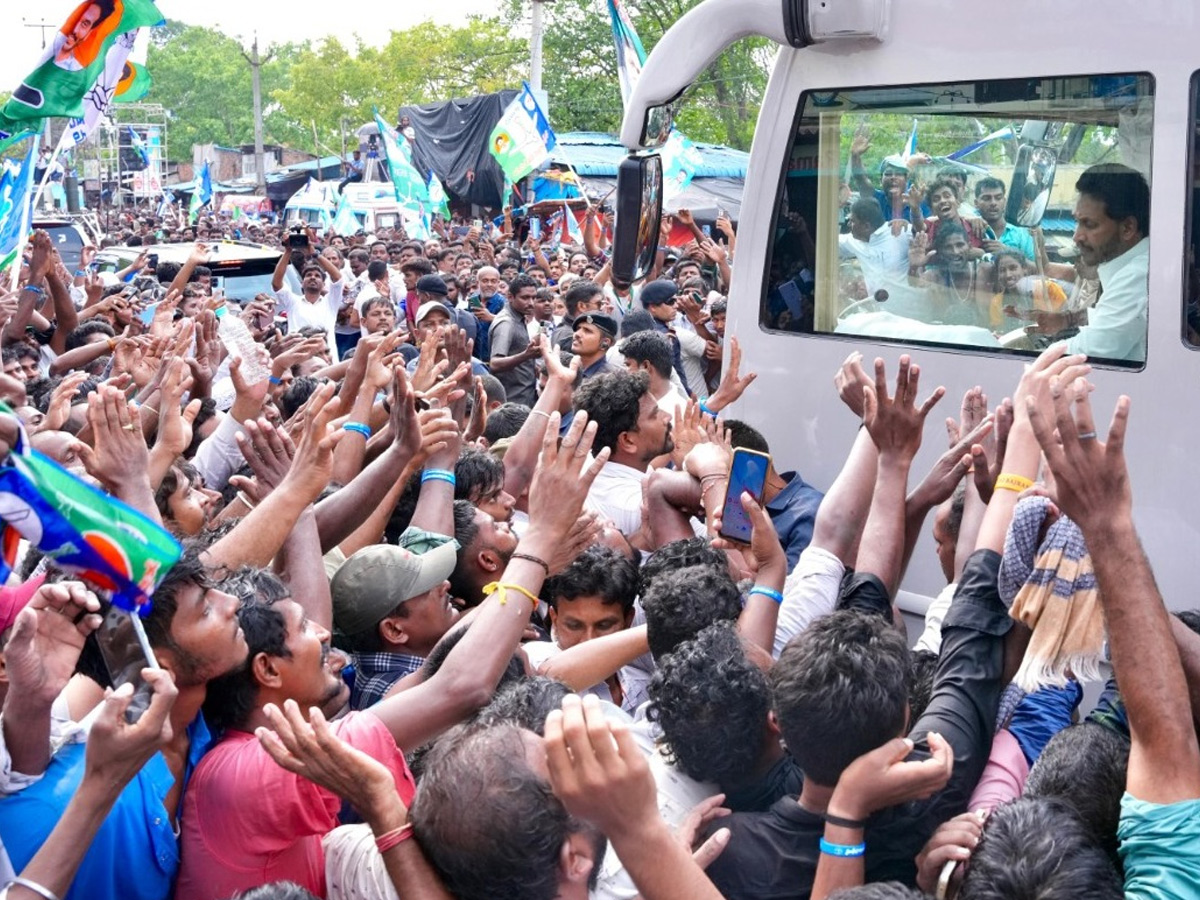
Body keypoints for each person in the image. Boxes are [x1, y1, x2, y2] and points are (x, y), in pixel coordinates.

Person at [330, 542, 461, 709]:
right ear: (394, 630)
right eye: (427, 589)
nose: (445, 585)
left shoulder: (367, 674)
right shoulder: (407, 697)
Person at [1045, 163, 1150, 364]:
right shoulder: (1137, 265)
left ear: (1128, 227)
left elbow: (1089, 352)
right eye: (1077, 222)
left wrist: (1021, 355)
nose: (1076, 237)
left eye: (1089, 224)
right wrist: (1070, 319)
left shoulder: (1138, 274)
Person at [575, 369, 673, 536]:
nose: (668, 417)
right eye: (655, 414)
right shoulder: (638, 505)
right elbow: (721, 554)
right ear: (627, 441)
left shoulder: (599, 467)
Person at [488, 274, 541, 406]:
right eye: (525, 298)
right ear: (510, 297)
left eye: (534, 298)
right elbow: (495, 364)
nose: (531, 303)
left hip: (524, 397)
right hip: (513, 401)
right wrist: (526, 356)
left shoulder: (519, 317)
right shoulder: (506, 323)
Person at [571, 312, 620, 379]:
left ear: (605, 343)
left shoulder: (610, 379)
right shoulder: (567, 369)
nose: (577, 334)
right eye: (578, 329)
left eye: (587, 331)